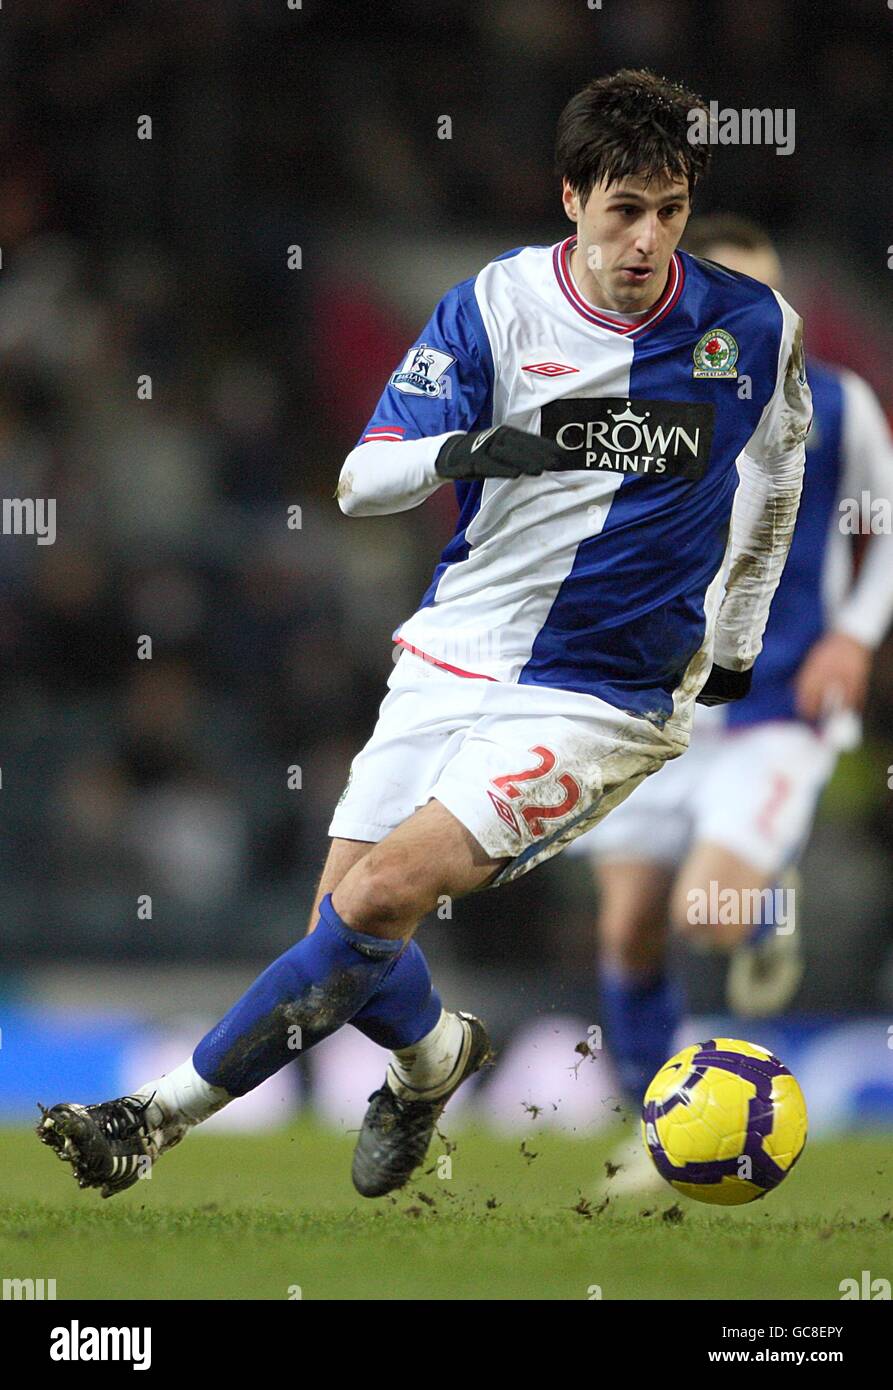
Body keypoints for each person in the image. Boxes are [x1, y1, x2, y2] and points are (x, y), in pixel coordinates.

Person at [37, 71, 812, 1201]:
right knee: (344, 934)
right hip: (455, 649)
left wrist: (733, 642)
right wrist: (487, 447)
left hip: (602, 692)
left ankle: (152, 1119)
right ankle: (435, 1056)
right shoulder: (495, 308)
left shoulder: (749, 327)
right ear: (569, 198)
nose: (647, 238)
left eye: (669, 208)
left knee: (375, 899)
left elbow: (778, 473)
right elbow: (360, 478)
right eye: (621, 210)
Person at [567, 214, 893, 1193]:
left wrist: (850, 635)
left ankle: (760, 915)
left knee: (705, 913)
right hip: (650, 707)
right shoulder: (638, 409)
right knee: (627, 925)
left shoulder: (838, 406)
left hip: (773, 707)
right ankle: (649, 1129)